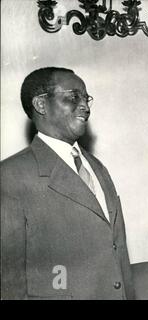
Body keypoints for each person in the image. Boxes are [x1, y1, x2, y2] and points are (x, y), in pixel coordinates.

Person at [1, 67, 134, 300]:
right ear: (41, 105)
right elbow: (9, 278)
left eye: (86, 98)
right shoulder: (10, 175)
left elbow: (117, 252)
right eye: (73, 97)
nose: (86, 106)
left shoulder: (97, 167)